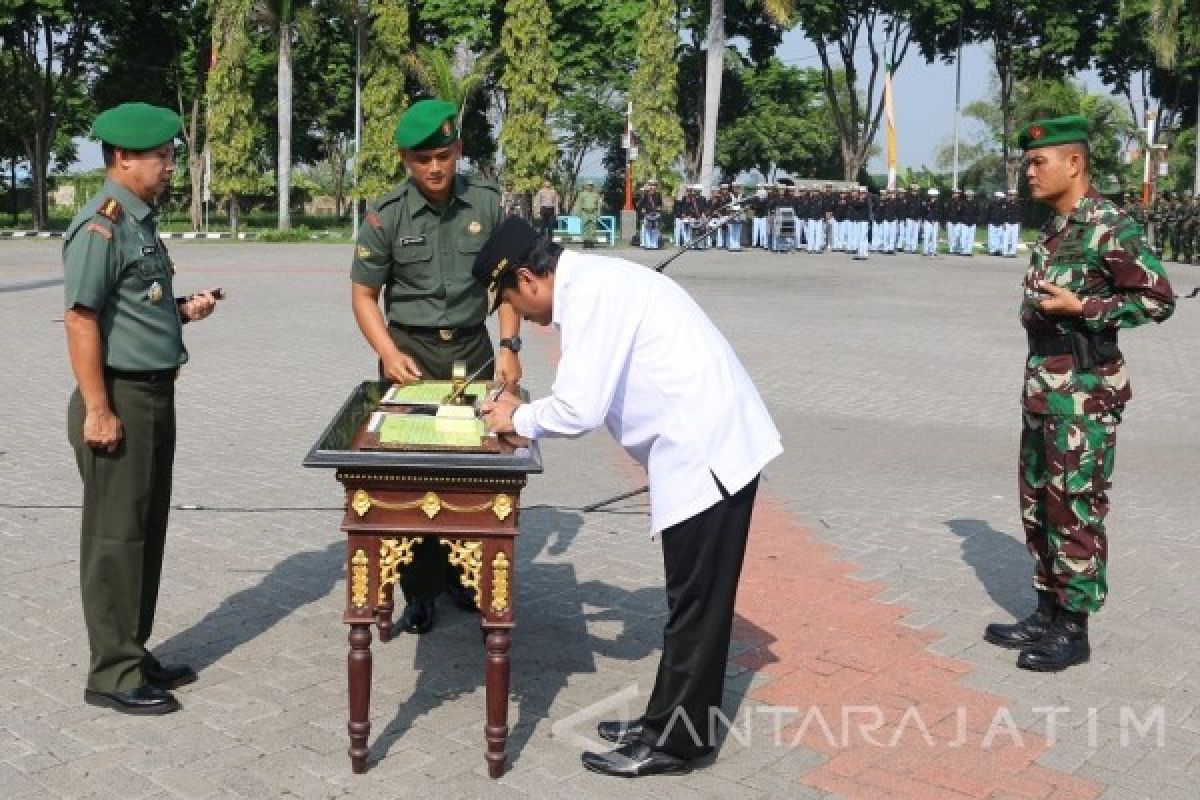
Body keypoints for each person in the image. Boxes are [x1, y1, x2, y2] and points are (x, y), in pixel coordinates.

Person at [474, 217, 782, 777]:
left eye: (512, 299)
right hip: (700, 448)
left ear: (528, 277)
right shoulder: (592, 283)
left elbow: (579, 408)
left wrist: (513, 416)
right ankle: (667, 719)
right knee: (689, 604)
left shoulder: (590, 295)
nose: (520, 313)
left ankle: (677, 744)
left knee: (695, 609)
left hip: (710, 454)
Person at [983, 115, 1175, 671]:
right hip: (1045, 393)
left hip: (1086, 399)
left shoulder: (1109, 226)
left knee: (1075, 510)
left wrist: (1083, 308)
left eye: (1039, 162)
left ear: (1075, 163)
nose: (1029, 173)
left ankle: (1074, 628)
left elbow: (1158, 301)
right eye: (1026, 163)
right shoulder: (1055, 228)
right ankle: (1045, 610)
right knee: (1039, 505)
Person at [63, 102, 221, 715]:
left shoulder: (139, 223)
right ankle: (111, 673)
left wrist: (183, 311)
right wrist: (98, 411)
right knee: (114, 536)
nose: (169, 166)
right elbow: (81, 321)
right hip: (119, 396)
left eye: (170, 155)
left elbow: (135, 307)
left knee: (146, 530)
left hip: (155, 392)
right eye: (160, 156)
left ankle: (131, 648)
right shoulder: (100, 225)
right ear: (123, 158)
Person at [350, 98, 523, 635]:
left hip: (472, 352)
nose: (434, 168)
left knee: (470, 468)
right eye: (422, 158)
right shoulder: (387, 215)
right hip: (412, 354)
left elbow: (510, 280)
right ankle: (418, 589)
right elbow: (362, 295)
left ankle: (458, 575)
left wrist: (511, 345)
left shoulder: (487, 205)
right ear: (405, 160)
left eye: (443, 156)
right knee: (413, 469)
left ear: (459, 151)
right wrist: (386, 349)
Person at [637, 179, 664, 249]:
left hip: (655, 214)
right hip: (647, 214)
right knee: (648, 230)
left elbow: (660, 204)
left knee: (655, 230)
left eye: (654, 185)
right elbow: (640, 204)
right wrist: (643, 210)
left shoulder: (658, 195)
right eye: (652, 185)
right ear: (649, 186)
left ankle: (654, 245)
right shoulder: (645, 195)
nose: (653, 187)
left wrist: (659, 208)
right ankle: (648, 245)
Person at [576, 180, 601, 248]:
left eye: (591, 185)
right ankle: (585, 242)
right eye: (588, 185)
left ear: (593, 186)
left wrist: (598, 213)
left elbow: (598, 204)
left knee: (592, 227)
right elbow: (579, 204)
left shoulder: (595, 194)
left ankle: (591, 242)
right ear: (586, 186)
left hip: (593, 212)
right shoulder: (582, 194)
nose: (589, 186)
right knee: (585, 227)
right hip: (585, 212)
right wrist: (578, 213)